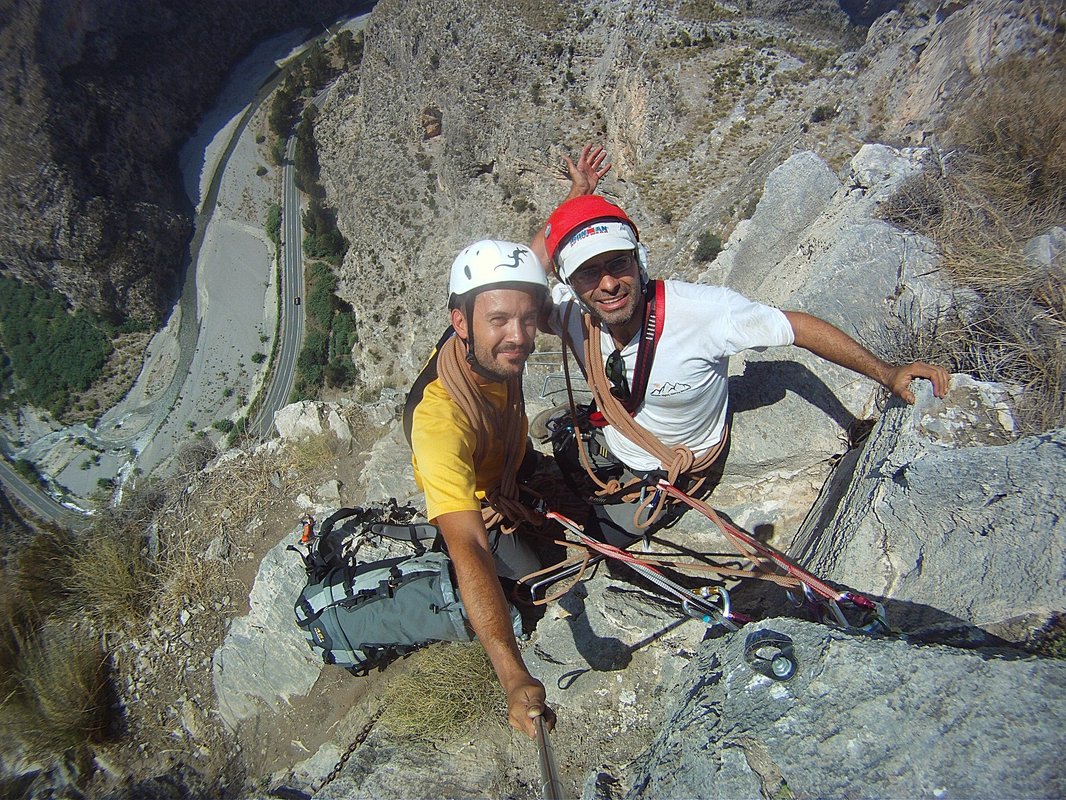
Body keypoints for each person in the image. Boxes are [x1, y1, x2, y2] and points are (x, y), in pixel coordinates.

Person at [535, 147, 951, 543]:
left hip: (670, 466)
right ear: (570, 285)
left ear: (638, 262)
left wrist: (886, 373)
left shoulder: (703, 312)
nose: (608, 283)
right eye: (589, 273)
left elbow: (799, 328)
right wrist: (575, 203)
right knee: (567, 458)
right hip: (619, 436)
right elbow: (514, 283)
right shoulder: (574, 316)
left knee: (603, 537)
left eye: (618, 263)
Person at [406, 239, 556, 739]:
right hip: (483, 507)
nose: (518, 336)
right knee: (541, 581)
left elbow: (524, 267)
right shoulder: (439, 421)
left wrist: (575, 197)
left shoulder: (487, 341)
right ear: (461, 323)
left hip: (513, 465)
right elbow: (466, 542)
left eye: (528, 318)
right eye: (500, 321)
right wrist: (513, 676)